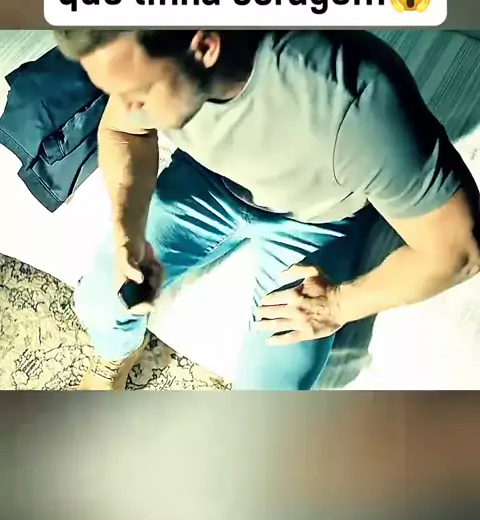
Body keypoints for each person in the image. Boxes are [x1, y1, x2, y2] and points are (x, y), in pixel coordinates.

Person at [53, 29, 480, 390]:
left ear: (205, 48)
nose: (125, 107)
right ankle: (119, 354)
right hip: (205, 180)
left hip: (316, 219)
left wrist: (336, 305)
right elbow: (122, 131)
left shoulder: (355, 103)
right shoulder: (150, 52)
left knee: (270, 389)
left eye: (140, 94)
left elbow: (459, 251)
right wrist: (128, 228)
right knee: (101, 301)